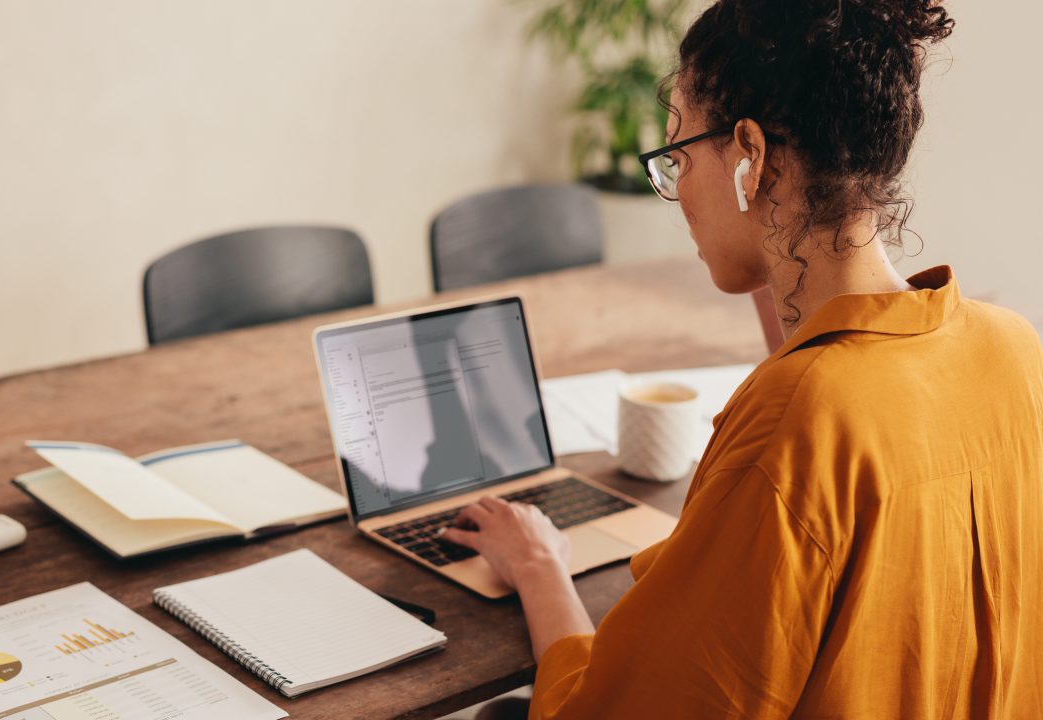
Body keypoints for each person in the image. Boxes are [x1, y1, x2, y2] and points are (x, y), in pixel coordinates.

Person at [440, 0, 1043, 717]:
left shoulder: (798, 419)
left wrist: (540, 568)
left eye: (678, 157)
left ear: (749, 155)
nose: (678, 196)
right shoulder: (1014, 347)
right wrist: (779, 274)